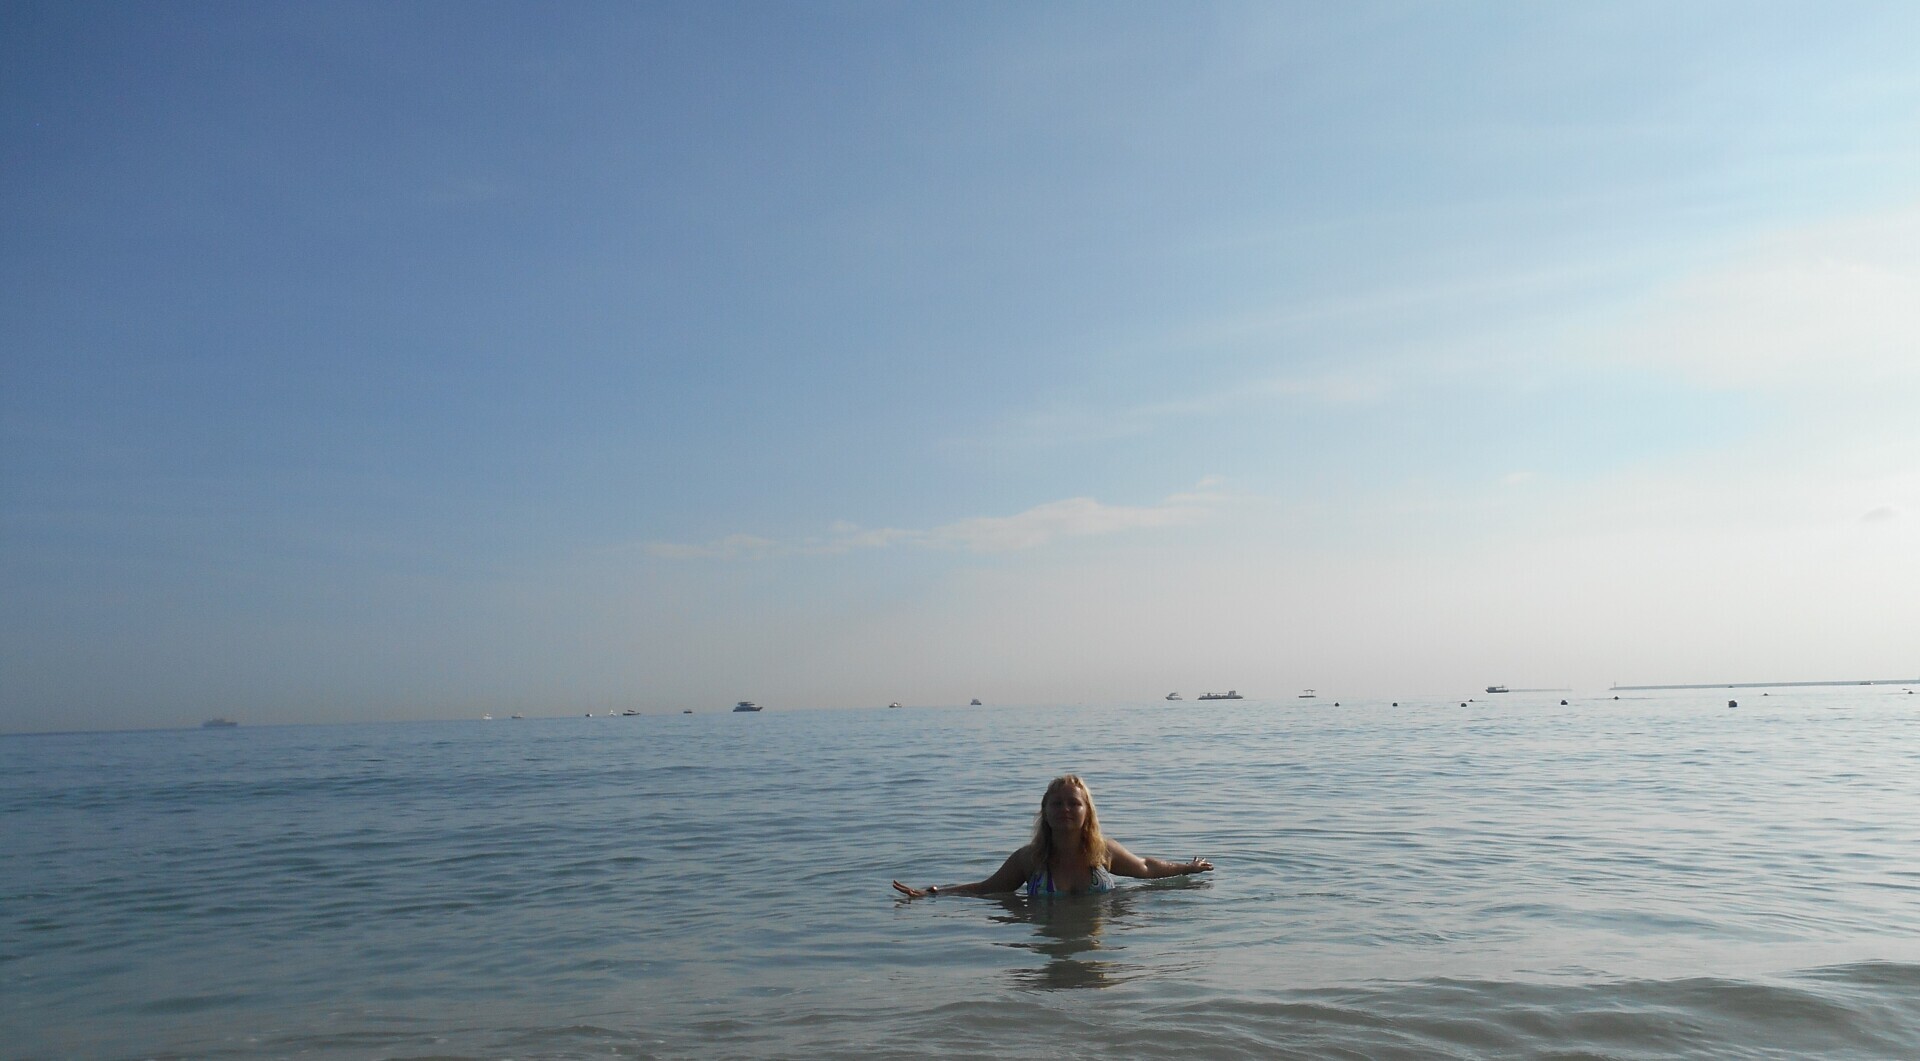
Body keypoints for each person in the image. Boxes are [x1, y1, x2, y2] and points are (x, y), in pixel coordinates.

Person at [891, 774, 1213, 899]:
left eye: (1074, 803)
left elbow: (1146, 868)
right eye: (1056, 804)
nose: (1065, 809)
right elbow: (987, 888)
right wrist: (933, 893)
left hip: (1093, 947)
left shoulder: (1104, 852)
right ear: (1044, 811)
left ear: (1087, 812)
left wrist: (1187, 868)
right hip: (1047, 944)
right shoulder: (1029, 859)